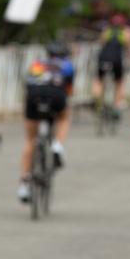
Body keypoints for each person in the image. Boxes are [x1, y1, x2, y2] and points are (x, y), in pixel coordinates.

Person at [17, 41, 75, 203]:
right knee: (64, 117)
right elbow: (69, 90)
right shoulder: (67, 65)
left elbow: (27, 85)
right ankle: (57, 145)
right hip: (56, 95)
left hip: (34, 97)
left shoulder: (36, 64)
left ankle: (24, 184)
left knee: (30, 139)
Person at [92, 13, 130, 117]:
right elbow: (129, 46)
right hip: (116, 59)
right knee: (119, 82)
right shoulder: (126, 31)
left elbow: (101, 42)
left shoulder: (107, 30)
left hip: (103, 57)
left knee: (99, 79)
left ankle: (97, 100)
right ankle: (117, 106)